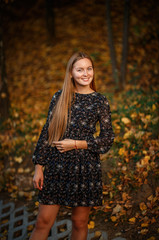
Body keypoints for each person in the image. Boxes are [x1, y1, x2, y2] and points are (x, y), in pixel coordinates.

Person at [30, 52, 114, 240]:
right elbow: (47, 132)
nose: (86, 73)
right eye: (80, 69)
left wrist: (76, 144)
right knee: (43, 221)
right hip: (56, 165)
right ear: (71, 73)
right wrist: (38, 166)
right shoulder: (59, 97)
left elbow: (108, 139)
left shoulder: (99, 101)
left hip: (85, 167)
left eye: (89, 68)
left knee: (79, 222)